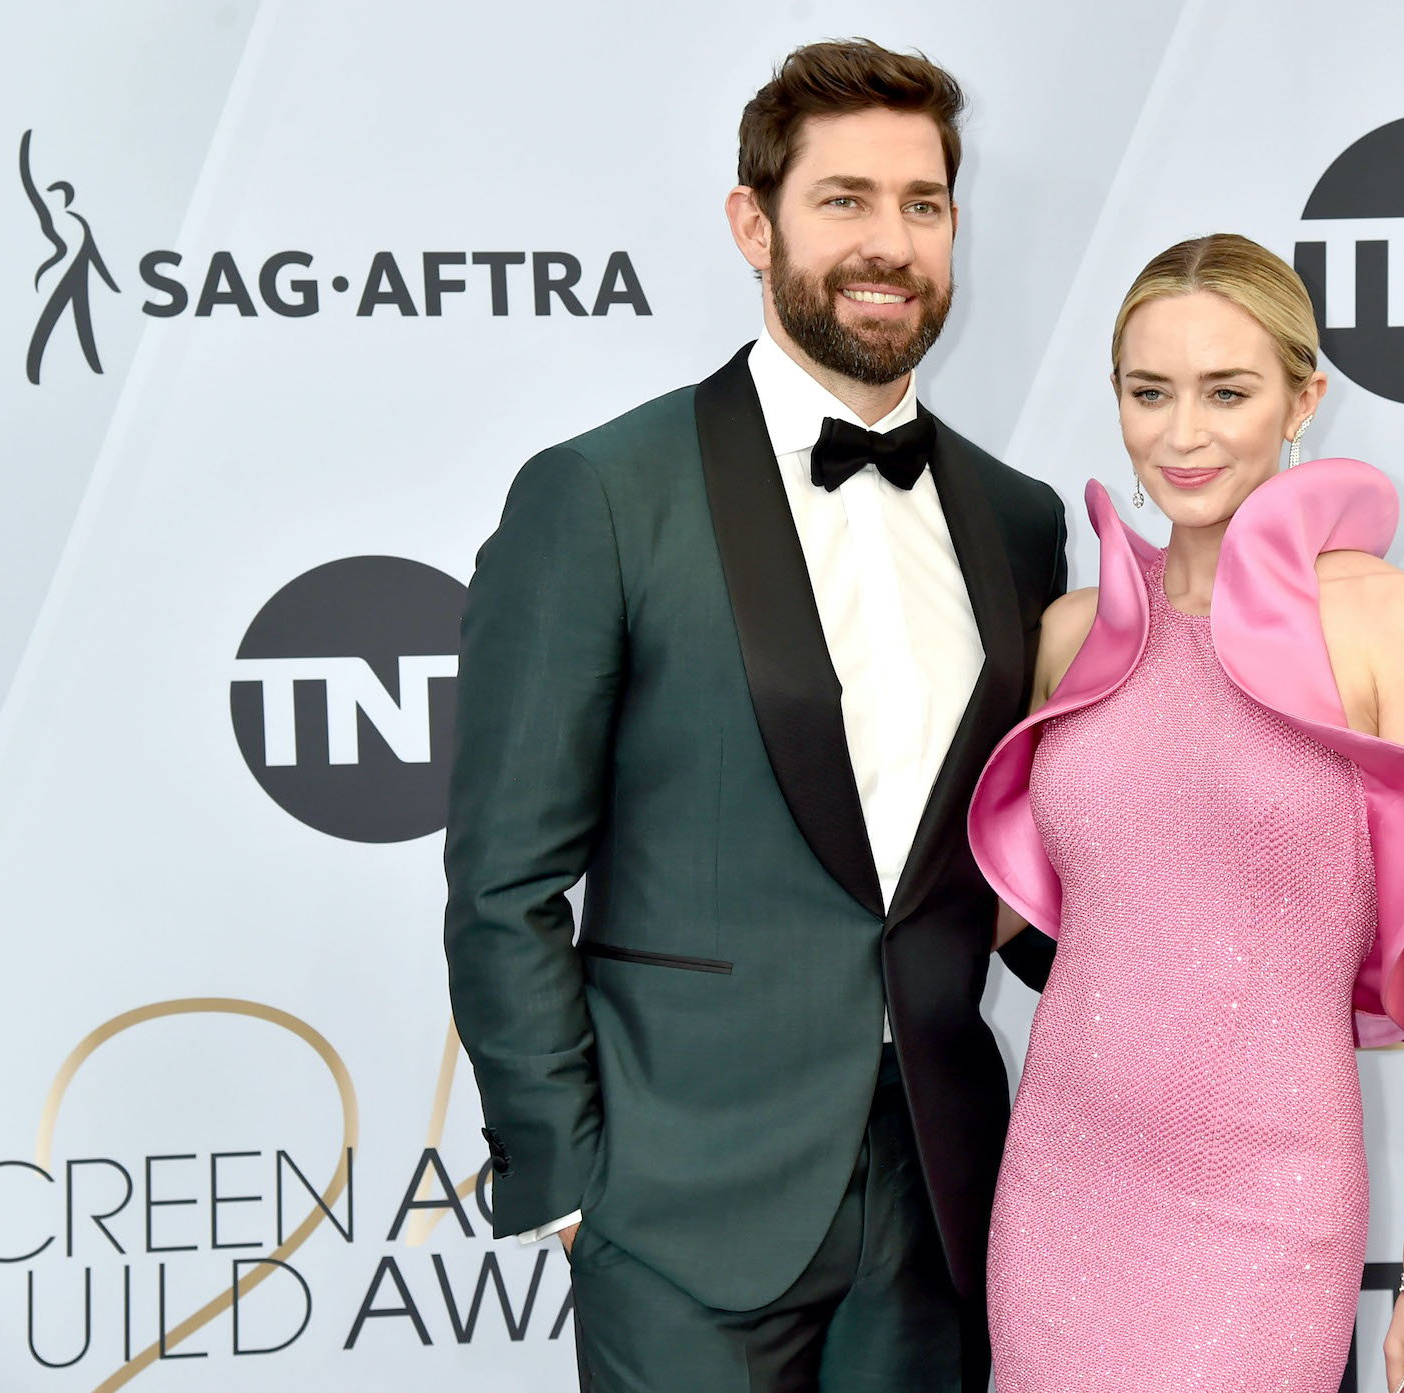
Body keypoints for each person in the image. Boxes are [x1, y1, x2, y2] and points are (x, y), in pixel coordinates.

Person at [443, 40, 1065, 1393]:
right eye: (843, 199)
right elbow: (504, 879)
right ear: (753, 222)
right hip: (680, 1200)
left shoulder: (1020, 522)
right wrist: (570, 1179)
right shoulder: (602, 494)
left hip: (943, 1196)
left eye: (922, 204)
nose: (888, 243)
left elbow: (1031, 859)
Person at [969, 234, 1404, 1393]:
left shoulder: (1400, 629)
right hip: (1059, 1187)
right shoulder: (1072, 633)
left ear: (1304, 399)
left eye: (1228, 391)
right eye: (1147, 392)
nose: (1182, 433)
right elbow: (999, 917)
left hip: (1265, 1206)